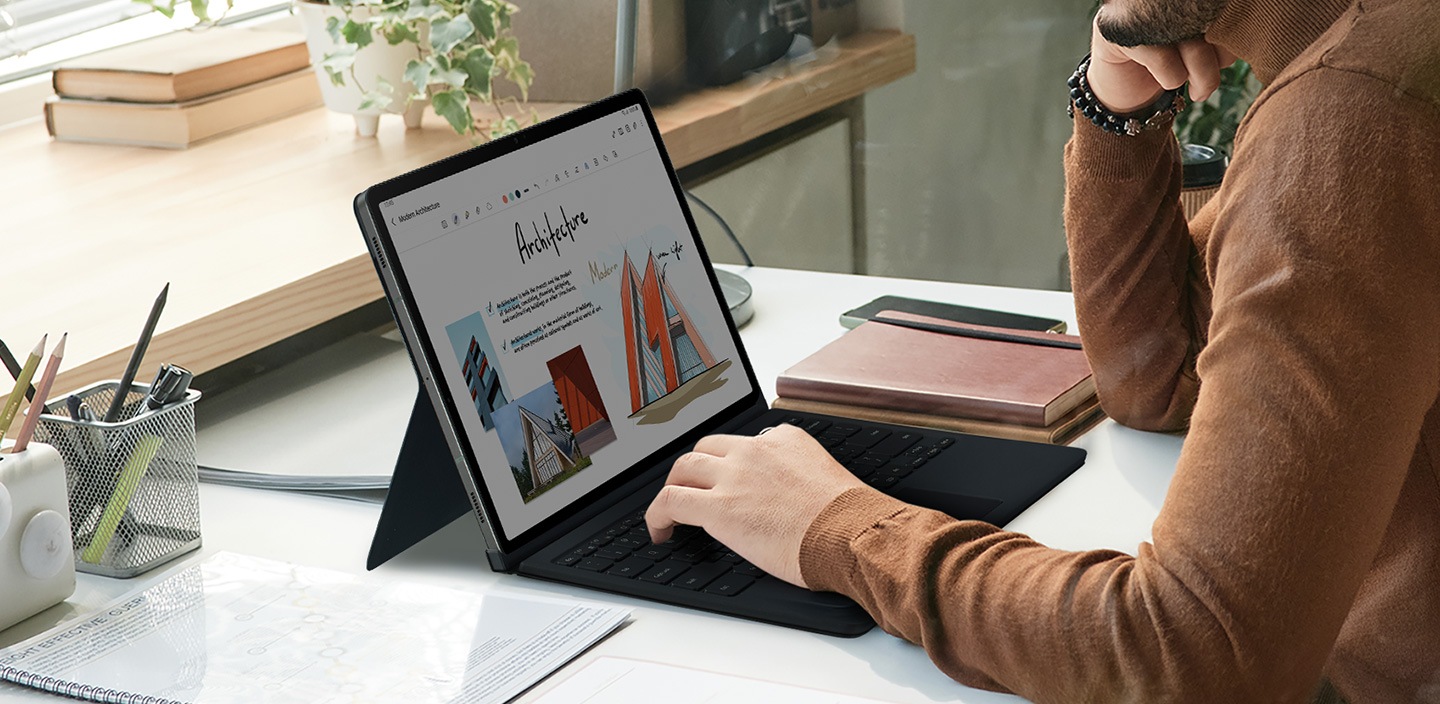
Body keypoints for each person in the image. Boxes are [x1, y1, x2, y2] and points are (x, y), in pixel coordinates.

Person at [644, 0, 1440, 701]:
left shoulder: (1355, 112)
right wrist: (1114, 104)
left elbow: (1195, 659)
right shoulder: (1371, 59)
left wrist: (840, 529)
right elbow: (1160, 379)